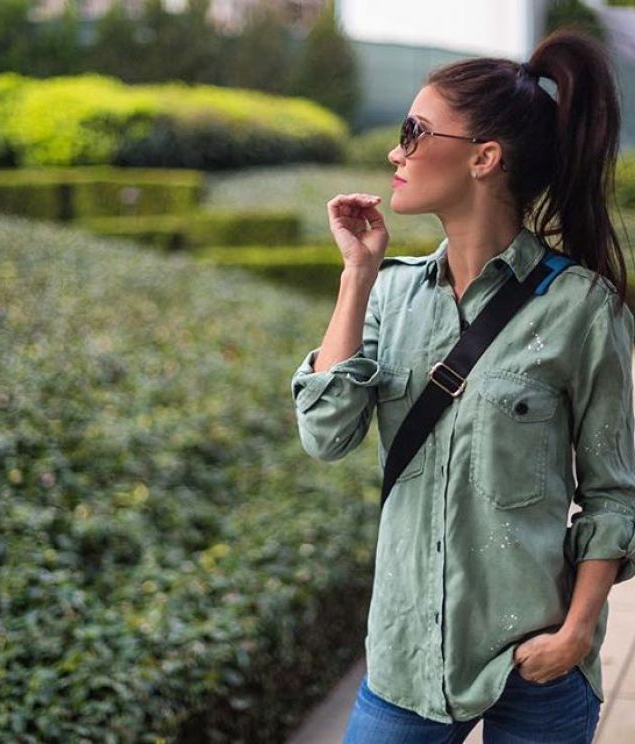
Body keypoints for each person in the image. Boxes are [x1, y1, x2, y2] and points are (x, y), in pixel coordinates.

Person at [290, 26, 635, 744]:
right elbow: (325, 435)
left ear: (484, 157)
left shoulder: (580, 308)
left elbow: (614, 492)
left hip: (536, 663)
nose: (396, 152)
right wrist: (356, 276)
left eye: (414, 132)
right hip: (406, 660)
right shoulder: (390, 295)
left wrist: (576, 634)